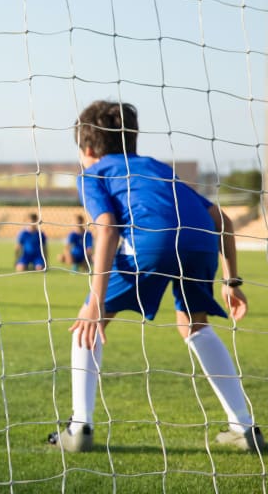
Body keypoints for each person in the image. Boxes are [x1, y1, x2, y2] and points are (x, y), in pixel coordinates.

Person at [48, 100, 262, 453]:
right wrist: (232, 282)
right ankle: (244, 426)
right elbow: (222, 219)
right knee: (195, 324)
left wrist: (95, 301)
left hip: (154, 241)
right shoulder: (157, 168)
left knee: (89, 321)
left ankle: (80, 425)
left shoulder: (93, 174)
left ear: (86, 149)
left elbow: (106, 227)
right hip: (200, 241)